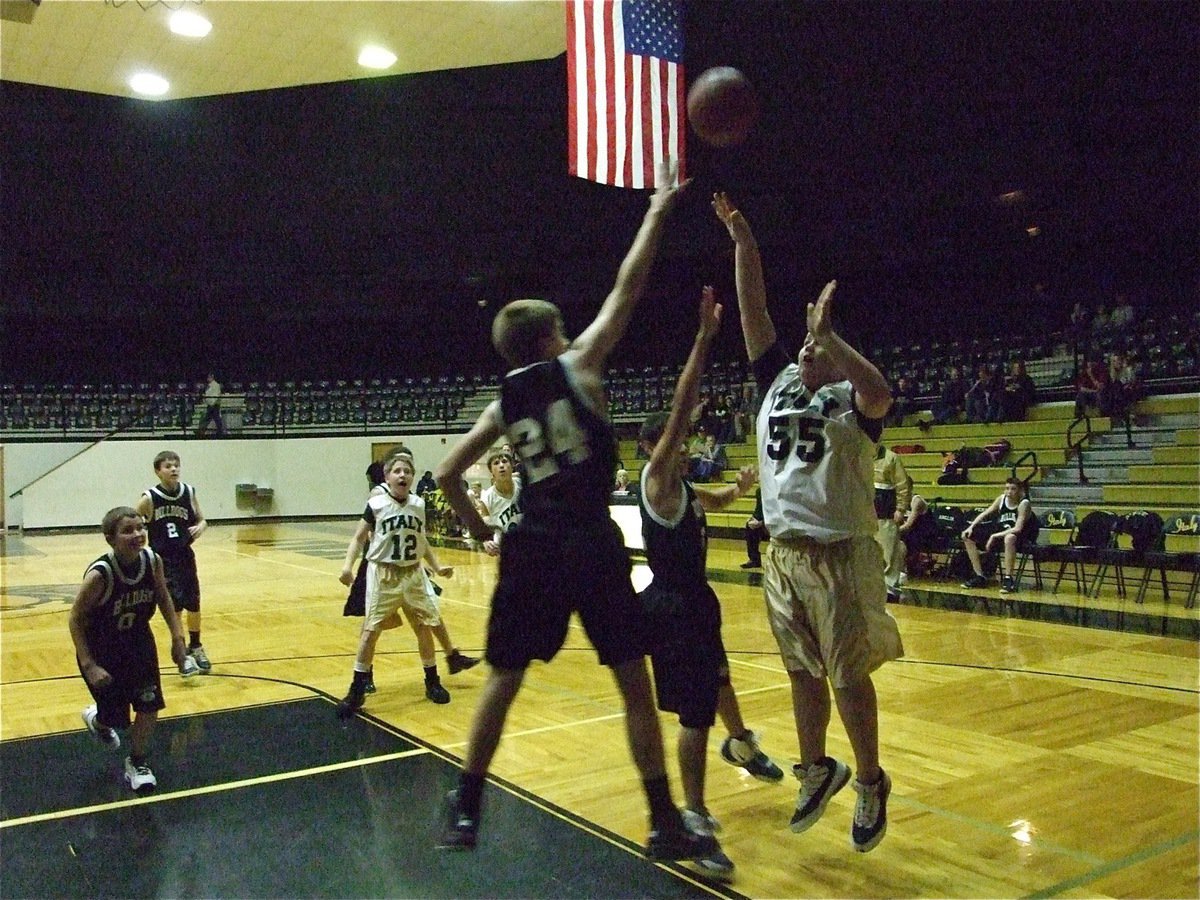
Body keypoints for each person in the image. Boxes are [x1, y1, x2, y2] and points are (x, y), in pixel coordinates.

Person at [433, 159, 715, 861]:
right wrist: (656, 211)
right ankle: (661, 818)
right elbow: (630, 285)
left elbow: (446, 473)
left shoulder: (502, 401)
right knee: (631, 681)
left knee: (504, 676)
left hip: (531, 541)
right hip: (589, 540)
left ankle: (467, 804)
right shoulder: (580, 365)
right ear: (551, 336)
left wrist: (482, 537)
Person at [713, 191, 902, 854]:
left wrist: (832, 342)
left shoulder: (852, 401)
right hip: (784, 554)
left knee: (849, 676)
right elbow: (754, 311)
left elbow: (882, 393)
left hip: (841, 553)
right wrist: (744, 244)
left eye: (810, 349)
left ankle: (872, 781)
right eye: (800, 347)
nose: (800, 353)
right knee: (801, 672)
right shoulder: (777, 385)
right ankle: (816, 766)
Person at [635, 286, 783, 880]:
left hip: (696, 603)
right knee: (694, 715)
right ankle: (691, 817)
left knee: (718, 679)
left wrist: (743, 487)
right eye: (674, 438)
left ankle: (741, 740)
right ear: (654, 446)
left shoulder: (686, 492)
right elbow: (680, 407)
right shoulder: (657, 476)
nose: (687, 441)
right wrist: (702, 340)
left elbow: (714, 495)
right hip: (671, 608)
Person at [335, 448, 479, 716]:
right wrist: (347, 567)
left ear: (412, 477)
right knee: (370, 632)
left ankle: (432, 681)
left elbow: (421, 539)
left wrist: (436, 566)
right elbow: (358, 538)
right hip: (384, 574)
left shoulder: (419, 504)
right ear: (387, 477)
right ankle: (356, 689)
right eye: (397, 471)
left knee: (425, 626)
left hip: (412, 573)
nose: (403, 475)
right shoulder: (377, 503)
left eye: (407, 471)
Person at [69, 507, 192, 793]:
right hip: (102, 648)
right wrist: (89, 665)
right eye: (128, 530)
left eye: (140, 528)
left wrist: (177, 638)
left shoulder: (152, 561)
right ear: (110, 539)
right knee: (117, 719)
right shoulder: (101, 575)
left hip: (138, 641)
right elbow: (75, 618)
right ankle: (99, 719)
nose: (137, 535)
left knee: (149, 703)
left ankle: (137, 762)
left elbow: (163, 596)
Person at [135, 450, 211, 674]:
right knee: (174, 606)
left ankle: (196, 645)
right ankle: (181, 652)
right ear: (158, 472)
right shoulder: (149, 498)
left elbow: (202, 519)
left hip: (185, 556)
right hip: (162, 560)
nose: (174, 469)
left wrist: (201, 526)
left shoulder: (188, 492)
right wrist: (139, 538)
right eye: (168, 466)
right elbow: (131, 519)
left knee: (194, 603)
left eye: (176, 465)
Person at [342, 461, 388, 684]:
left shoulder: (380, 493)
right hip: (378, 561)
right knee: (372, 621)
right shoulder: (383, 495)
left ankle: (445, 659)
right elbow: (364, 534)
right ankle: (364, 673)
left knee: (425, 620)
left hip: (390, 563)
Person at [959, 477, 1039, 594]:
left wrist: (994, 536)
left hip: (1024, 537)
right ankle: (980, 576)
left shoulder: (1024, 503)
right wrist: (970, 527)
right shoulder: (1001, 499)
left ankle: (1008, 579)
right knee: (967, 536)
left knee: (1010, 537)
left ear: (1020, 491)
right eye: (1007, 488)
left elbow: (1017, 529)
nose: (1009, 492)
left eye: (1013, 489)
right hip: (1002, 533)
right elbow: (985, 513)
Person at [873, 446, 911, 604]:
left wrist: (900, 509)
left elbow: (903, 485)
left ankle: (889, 588)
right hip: (867, 513)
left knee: (888, 552)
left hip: (887, 514)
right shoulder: (861, 455)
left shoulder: (891, 458)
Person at [478, 449, 523, 556]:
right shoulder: (487, 498)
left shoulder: (524, 484)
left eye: (504, 461)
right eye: (496, 463)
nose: (501, 465)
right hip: (509, 550)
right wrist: (487, 542)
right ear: (491, 471)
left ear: (512, 467)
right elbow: (486, 528)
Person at [897, 493, 938, 579]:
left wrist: (893, 531)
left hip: (926, 533)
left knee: (899, 541)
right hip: (912, 532)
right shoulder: (899, 501)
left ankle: (903, 569)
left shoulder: (917, 501)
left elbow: (909, 524)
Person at [742, 488, 768, 569]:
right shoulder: (760, 491)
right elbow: (759, 510)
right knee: (750, 526)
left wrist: (762, 522)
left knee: (753, 527)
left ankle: (755, 559)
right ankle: (754, 559)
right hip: (766, 519)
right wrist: (754, 518)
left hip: (777, 520)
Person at [196, 373, 225, 437]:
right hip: (210, 404)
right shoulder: (209, 385)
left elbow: (216, 395)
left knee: (214, 418)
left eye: (209, 377)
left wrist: (212, 403)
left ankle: (220, 431)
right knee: (210, 418)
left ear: (212, 377)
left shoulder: (216, 385)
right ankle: (202, 430)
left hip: (214, 405)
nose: (208, 379)